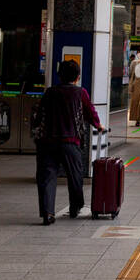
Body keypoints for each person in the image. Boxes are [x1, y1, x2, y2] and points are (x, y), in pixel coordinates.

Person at [35, 59, 103, 225]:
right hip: (71, 141)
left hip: (48, 141)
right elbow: (90, 111)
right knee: (75, 176)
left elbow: (39, 115)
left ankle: (48, 213)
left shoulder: (50, 92)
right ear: (78, 77)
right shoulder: (80, 93)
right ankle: (75, 207)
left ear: (59, 76)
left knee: (48, 176)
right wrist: (98, 125)